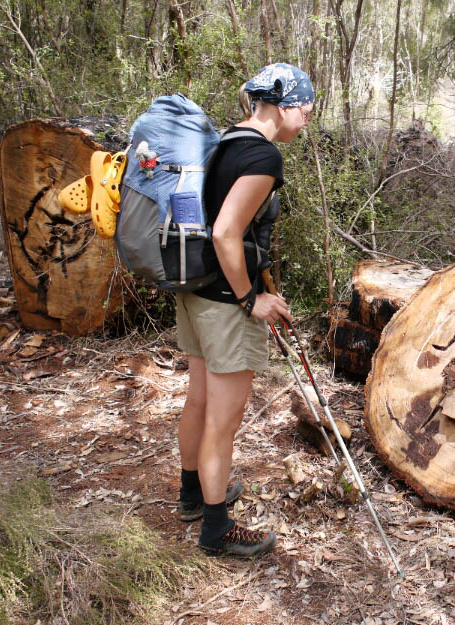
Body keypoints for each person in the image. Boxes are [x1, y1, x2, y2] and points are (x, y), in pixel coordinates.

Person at [175, 63, 314, 557]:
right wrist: (250, 299)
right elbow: (225, 232)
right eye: (306, 108)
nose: (308, 119)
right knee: (221, 421)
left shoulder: (226, 141)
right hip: (223, 305)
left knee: (198, 402)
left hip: (193, 293)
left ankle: (193, 494)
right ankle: (216, 530)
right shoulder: (263, 156)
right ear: (283, 105)